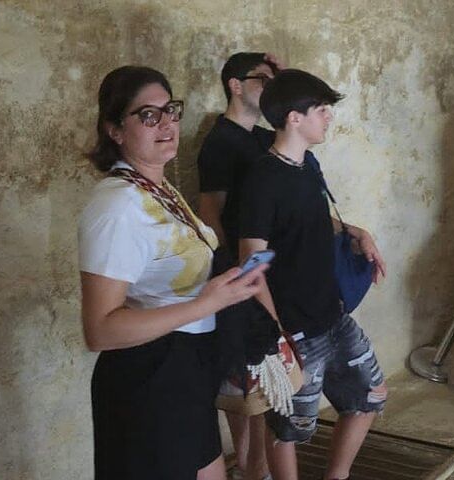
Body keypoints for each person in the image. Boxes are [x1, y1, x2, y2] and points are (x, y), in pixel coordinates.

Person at [79, 65, 268, 480]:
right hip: (147, 376)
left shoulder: (158, 188)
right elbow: (100, 330)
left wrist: (230, 285)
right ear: (115, 130)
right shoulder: (117, 207)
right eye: (148, 115)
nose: (166, 124)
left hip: (185, 369)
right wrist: (206, 303)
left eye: (170, 110)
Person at [239, 69, 388, 480]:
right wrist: (276, 335)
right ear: (294, 118)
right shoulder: (263, 179)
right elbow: (251, 260)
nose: (329, 117)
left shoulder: (308, 165)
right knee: (289, 427)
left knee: (370, 397)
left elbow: (313, 219)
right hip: (294, 328)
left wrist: (356, 231)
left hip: (332, 314)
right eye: (321, 110)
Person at [197, 52, 283, 480]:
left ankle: (254, 468)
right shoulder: (220, 142)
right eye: (262, 79)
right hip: (242, 273)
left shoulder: (262, 137)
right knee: (246, 376)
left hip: (266, 269)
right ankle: (252, 469)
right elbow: (210, 212)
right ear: (235, 85)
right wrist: (236, 270)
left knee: (265, 378)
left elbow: (298, 113)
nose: (270, 87)